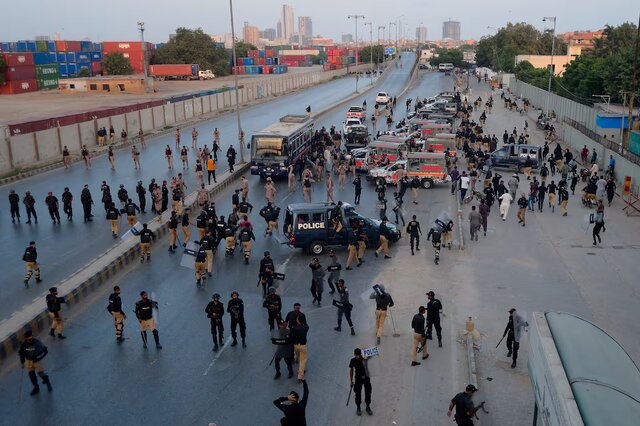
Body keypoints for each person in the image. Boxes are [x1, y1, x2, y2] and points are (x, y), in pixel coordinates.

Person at [19, 330, 52, 396]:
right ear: (26, 338)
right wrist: (22, 362)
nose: (30, 338)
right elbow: (21, 353)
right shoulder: (24, 345)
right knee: (31, 375)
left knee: (41, 374)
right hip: (29, 361)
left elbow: (44, 351)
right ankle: (36, 387)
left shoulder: (37, 342)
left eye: (31, 336)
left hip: (37, 361)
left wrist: (37, 358)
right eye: (29, 337)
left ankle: (48, 383)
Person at [349, 348, 373, 416]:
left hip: (366, 378)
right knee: (357, 393)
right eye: (357, 355)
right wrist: (351, 381)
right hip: (358, 379)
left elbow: (372, 357)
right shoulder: (353, 360)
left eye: (359, 355)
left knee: (368, 392)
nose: (358, 356)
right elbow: (351, 371)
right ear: (354, 355)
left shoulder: (365, 358)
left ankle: (368, 407)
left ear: (361, 354)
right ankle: (358, 407)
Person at [290, 316, 309, 381]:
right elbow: (305, 325)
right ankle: (300, 376)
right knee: (303, 361)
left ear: (299, 321)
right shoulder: (306, 327)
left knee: (297, 354)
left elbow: (291, 335)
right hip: (303, 346)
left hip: (296, 345)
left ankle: (297, 359)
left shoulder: (294, 328)